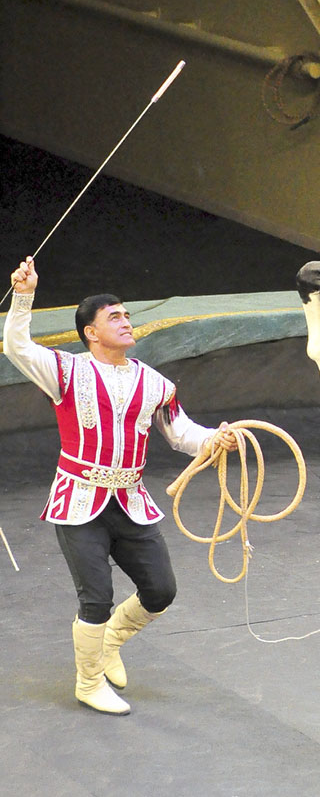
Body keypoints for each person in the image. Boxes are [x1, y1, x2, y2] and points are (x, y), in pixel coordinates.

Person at [2, 257, 237, 715]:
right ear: (91, 332)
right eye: (115, 317)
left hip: (130, 501)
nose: (127, 322)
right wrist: (25, 294)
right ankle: (88, 682)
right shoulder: (66, 371)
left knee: (161, 591)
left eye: (128, 315)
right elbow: (17, 347)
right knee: (96, 597)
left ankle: (109, 643)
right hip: (78, 502)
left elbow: (181, 432)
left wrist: (216, 438)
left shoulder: (155, 383)